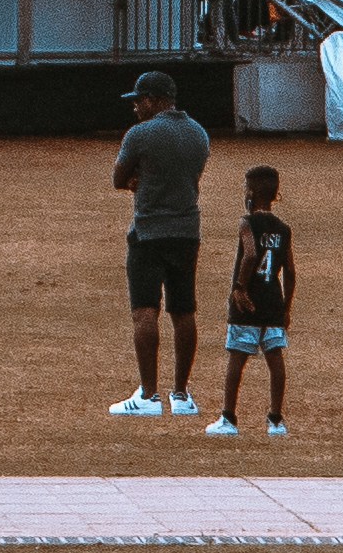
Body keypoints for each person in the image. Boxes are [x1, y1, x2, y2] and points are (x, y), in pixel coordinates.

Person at [105, 71, 217, 416]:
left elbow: (118, 178)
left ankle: (149, 395)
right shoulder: (198, 133)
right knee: (183, 312)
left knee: (145, 311)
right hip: (187, 230)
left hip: (149, 231)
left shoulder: (140, 135)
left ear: (153, 100)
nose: (135, 107)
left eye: (139, 100)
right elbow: (189, 178)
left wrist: (138, 179)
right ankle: (181, 394)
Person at [206, 164, 295, 435]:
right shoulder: (283, 228)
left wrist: (240, 287)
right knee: (275, 358)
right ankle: (276, 420)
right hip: (273, 301)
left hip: (249, 302)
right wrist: (287, 307)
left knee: (237, 358)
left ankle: (229, 418)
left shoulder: (247, 222)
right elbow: (290, 271)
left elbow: (250, 253)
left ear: (252, 192)